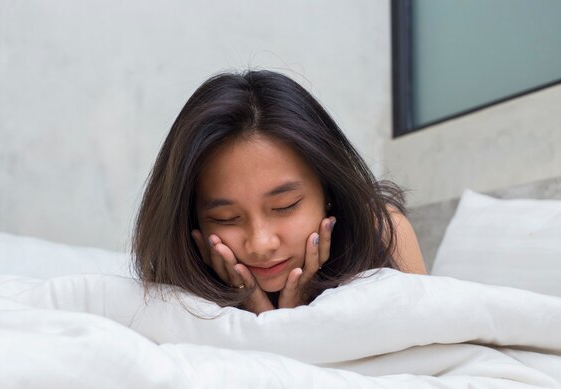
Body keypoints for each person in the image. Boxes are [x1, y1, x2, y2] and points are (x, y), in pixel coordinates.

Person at [132, 69, 426, 314]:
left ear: (329, 191)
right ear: (192, 220)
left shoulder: (384, 234)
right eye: (226, 218)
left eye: (285, 206)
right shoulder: (175, 296)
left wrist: (294, 320)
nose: (261, 244)